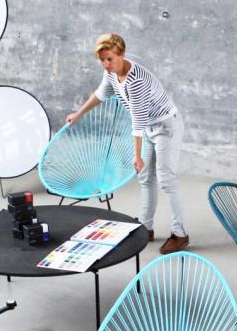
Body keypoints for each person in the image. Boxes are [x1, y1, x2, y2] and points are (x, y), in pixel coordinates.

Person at [65, 33, 189, 254]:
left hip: (166, 126)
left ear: (121, 54)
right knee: (145, 177)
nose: (105, 64)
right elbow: (101, 94)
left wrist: (137, 155)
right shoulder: (111, 73)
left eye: (109, 59)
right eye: (102, 60)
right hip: (148, 127)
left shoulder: (136, 81)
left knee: (166, 179)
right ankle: (146, 227)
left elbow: (137, 119)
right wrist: (79, 114)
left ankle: (180, 234)